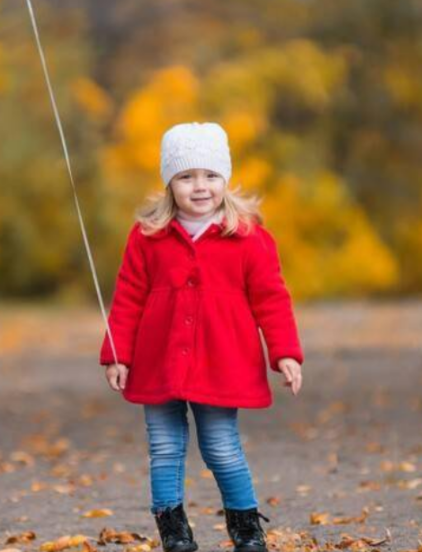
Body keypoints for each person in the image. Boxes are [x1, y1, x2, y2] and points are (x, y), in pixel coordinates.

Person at [98, 121, 304, 552]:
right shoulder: (147, 236)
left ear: (224, 179)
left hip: (221, 361)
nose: (200, 186)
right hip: (158, 361)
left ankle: (247, 528)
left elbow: (272, 299)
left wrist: (285, 353)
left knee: (222, 447)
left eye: (210, 175)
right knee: (165, 449)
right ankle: (174, 532)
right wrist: (117, 355)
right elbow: (128, 297)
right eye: (186, 176)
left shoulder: (249, 237)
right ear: (169, 183)